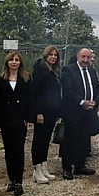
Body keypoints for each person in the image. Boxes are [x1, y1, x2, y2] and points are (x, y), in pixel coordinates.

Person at [0, 52, 32, 196]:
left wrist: (30, 118)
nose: (14, 62)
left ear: (20, 62)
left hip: (20, 119)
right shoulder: (0, 80)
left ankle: (19, 182)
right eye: (11, 60)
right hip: (5, 119)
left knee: (19, 150)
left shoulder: (26, 78)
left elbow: (30, 99)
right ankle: (11, 179)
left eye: (17, 60)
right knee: (9, 151)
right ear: (7, 62)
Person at [60, 48, 99, 180]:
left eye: (88, 57)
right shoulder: (68, 70)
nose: (85, 60)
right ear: (78, 56)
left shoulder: (92, 71)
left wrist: (94, 102)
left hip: (88, 111)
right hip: (73, 111)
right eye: (83, 57)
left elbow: (97, 89)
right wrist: (82, 102)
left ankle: (80, 165)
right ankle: (67, 168)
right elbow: (68, 90)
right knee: (70, 139)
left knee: (84, 139)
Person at [30, 46, 61, 183]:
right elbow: (35, 93)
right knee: (39, 140)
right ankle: (37, 169)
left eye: (55, 55)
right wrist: (38, 112)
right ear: (45, 55)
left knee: (46, 139)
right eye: (51, 55)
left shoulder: (53, 71)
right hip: (42, 111)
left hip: (52, 111)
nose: (53, 57)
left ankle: (43, 166)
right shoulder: (39, 71)